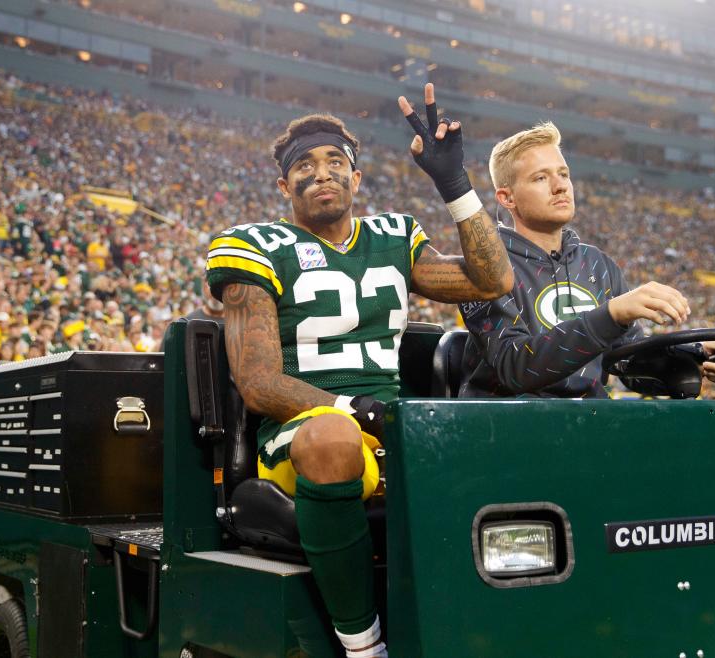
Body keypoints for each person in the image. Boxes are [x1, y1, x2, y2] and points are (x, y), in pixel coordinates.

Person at [204, 83, 513, 658]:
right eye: (304, 166)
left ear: (356, 177)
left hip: (388, 431)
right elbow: (258, 381)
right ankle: (363, 645)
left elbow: (493, 281)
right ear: (282, 185)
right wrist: (351, 410)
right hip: (304, 437)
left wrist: (454, 184)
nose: (321, 174)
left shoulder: (394, 237)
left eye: (335, 162)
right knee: (332, 436)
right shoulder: (253, 245)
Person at [458, 122, 715, 398]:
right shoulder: (485, 266)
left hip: (590, 426)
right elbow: (514, 367)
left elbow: (626, 363)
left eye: (564, 174)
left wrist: (694, 356)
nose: (560, 186)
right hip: (506, 431)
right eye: (541, 177)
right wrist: (610, 315)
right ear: (507, 198)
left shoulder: (597, 264)